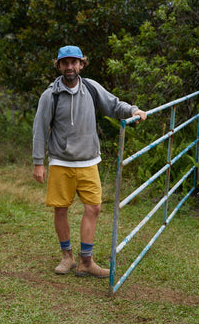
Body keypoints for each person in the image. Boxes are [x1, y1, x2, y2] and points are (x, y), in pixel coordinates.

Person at [32, 45, 147, 278]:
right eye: (65, 63)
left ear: (81, 64)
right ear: (59, 66)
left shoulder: (92, 88)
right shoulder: (50, 95)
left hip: (88, 161)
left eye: (74, 62)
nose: (70, 67)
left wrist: (134, 110)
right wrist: (38, 162)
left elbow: (114, 106)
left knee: (93, 208)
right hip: (61, 162)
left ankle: (86, 261)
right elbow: (40, 129)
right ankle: (67, 257)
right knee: (61, 208)